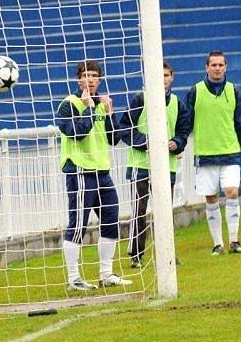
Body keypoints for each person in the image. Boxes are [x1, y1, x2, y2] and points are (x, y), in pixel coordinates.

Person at [56, 60, 132, 290]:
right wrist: (89, 107)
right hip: (80, 171)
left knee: (111, 220)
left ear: (100, 79)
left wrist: (110, 113)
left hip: (102, 172)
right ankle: (73, 278)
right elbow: (75, 133)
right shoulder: (68, 104)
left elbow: (113, 138)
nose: (90, 79)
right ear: (78, 80)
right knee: (77, 225)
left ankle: (106, 274)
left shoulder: (102, 104)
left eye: (94, 75)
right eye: (85, 75)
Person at [179, 51, 241, 256]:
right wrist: (180, 144)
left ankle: (234, 240)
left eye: (221, 65)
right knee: (211, 198)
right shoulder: (196, 91)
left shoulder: (234, 91)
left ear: (226, 67)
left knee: (231, 192)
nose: (217, 68)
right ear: (206, 67)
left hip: (230, 153)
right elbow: (186, 122)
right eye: (213, 65)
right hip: (205, 156)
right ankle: (217, 244)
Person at [121, 60, 186, 268]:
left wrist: (176, 143)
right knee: (139, 210)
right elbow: (124, 127)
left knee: (165, 211)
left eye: (166, 75)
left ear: (172, 77)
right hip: (141, 165)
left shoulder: (178, 103)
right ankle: (135, 254)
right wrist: (145, 142)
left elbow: (184, 131)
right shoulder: (141, 99)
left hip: (167, 166)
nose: (163, 80)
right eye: (159, 76)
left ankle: (167, 253)